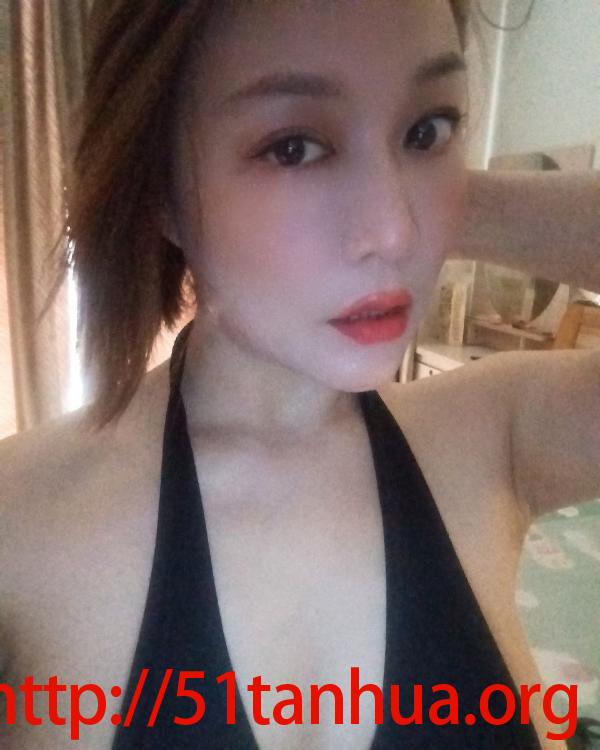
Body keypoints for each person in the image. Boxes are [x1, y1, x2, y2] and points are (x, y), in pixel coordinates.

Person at [0, 1, 598, 748]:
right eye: (293, 148)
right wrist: (406, 163)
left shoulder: (495, 437)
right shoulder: (19, 521)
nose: (394, 231)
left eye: (428, 128)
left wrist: (445, 196)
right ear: (157, 187)